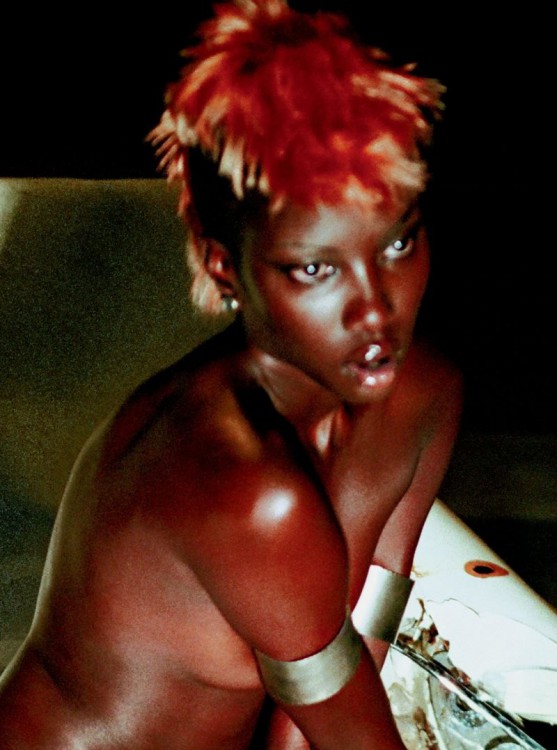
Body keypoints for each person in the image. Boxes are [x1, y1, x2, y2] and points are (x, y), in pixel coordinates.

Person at [0, 1, 462, 747]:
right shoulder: (244, 487)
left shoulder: (421, 392)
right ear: (225, 268)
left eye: (396, 245)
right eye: (314, 269)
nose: (375, 311)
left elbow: (366, 614)